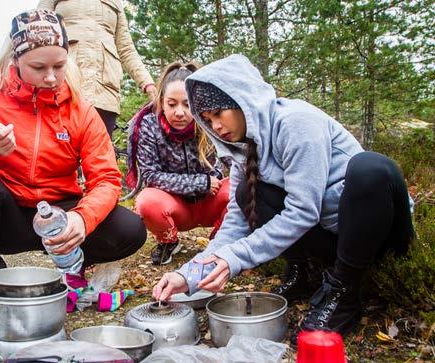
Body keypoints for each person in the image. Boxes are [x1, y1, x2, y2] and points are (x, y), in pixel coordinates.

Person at [153, 54, 415, 341]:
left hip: (377, 233)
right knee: (246, 193)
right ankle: (302, 274)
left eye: (219, 113)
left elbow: (303, 211)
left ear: (243, 99)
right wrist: (188, 274)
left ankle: (344, 291)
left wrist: (236, 258)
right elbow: (236, 222)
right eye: (207, 120)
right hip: (333, 236)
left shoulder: (296, 123)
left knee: (370, 168)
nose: (215, 126)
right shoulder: (242, 150)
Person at [0, 9, 146, 320]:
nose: (51, 77)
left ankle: (73, 271)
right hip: (6, 214)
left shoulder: (79, 109)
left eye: (59, 65)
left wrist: (82, 220)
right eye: (38, 67)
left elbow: (107, 178)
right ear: (15, 60)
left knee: (130, 228)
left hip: (59, 216)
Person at [128, 62, 230, 265]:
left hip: (209, 202)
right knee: (146, 201)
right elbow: (150, 175)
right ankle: (169, 241)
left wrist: (218, 180)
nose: (180, 112)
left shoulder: (210, 122)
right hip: (174, 206)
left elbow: (229, 163)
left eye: (187, 104)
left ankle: (220, 241)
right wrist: (200, 183)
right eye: (172, 104)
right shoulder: (148, 125)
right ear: (162, 102)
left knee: (240, 187)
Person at [37, 0, 156, 137]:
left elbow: (126, 48)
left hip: (104, 92)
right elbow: (36, 33)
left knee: (100, 153)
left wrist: (147, 82)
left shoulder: (116, 3)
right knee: (58, 151)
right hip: (63, 84)